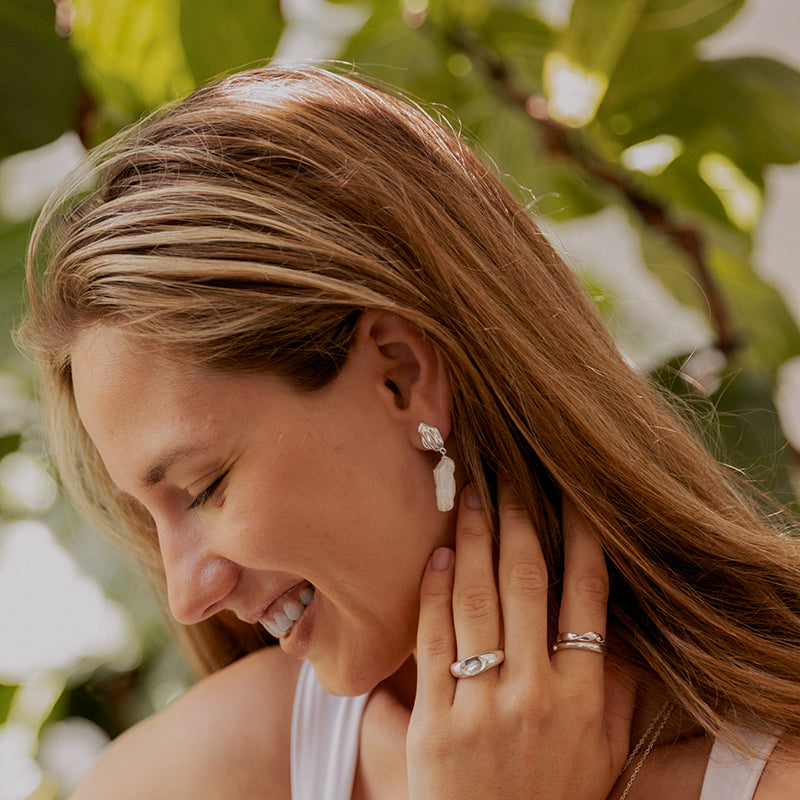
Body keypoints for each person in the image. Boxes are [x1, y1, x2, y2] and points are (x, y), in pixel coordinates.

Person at [19, 64, 800, 799]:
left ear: (401, 373)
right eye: (149, 519)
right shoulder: (211, 771)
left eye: (205, 487)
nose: (189, 595)